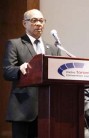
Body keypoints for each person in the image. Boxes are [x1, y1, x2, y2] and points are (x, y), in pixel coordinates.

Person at [2, 9, 61, 138]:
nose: (39, 24)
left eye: (41, 20)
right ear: (24, 23)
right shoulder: (15, 44)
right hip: (23, 109)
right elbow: (7, 71)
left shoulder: (54, 49)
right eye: (34, 20)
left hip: (48, 110)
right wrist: (19, 69)